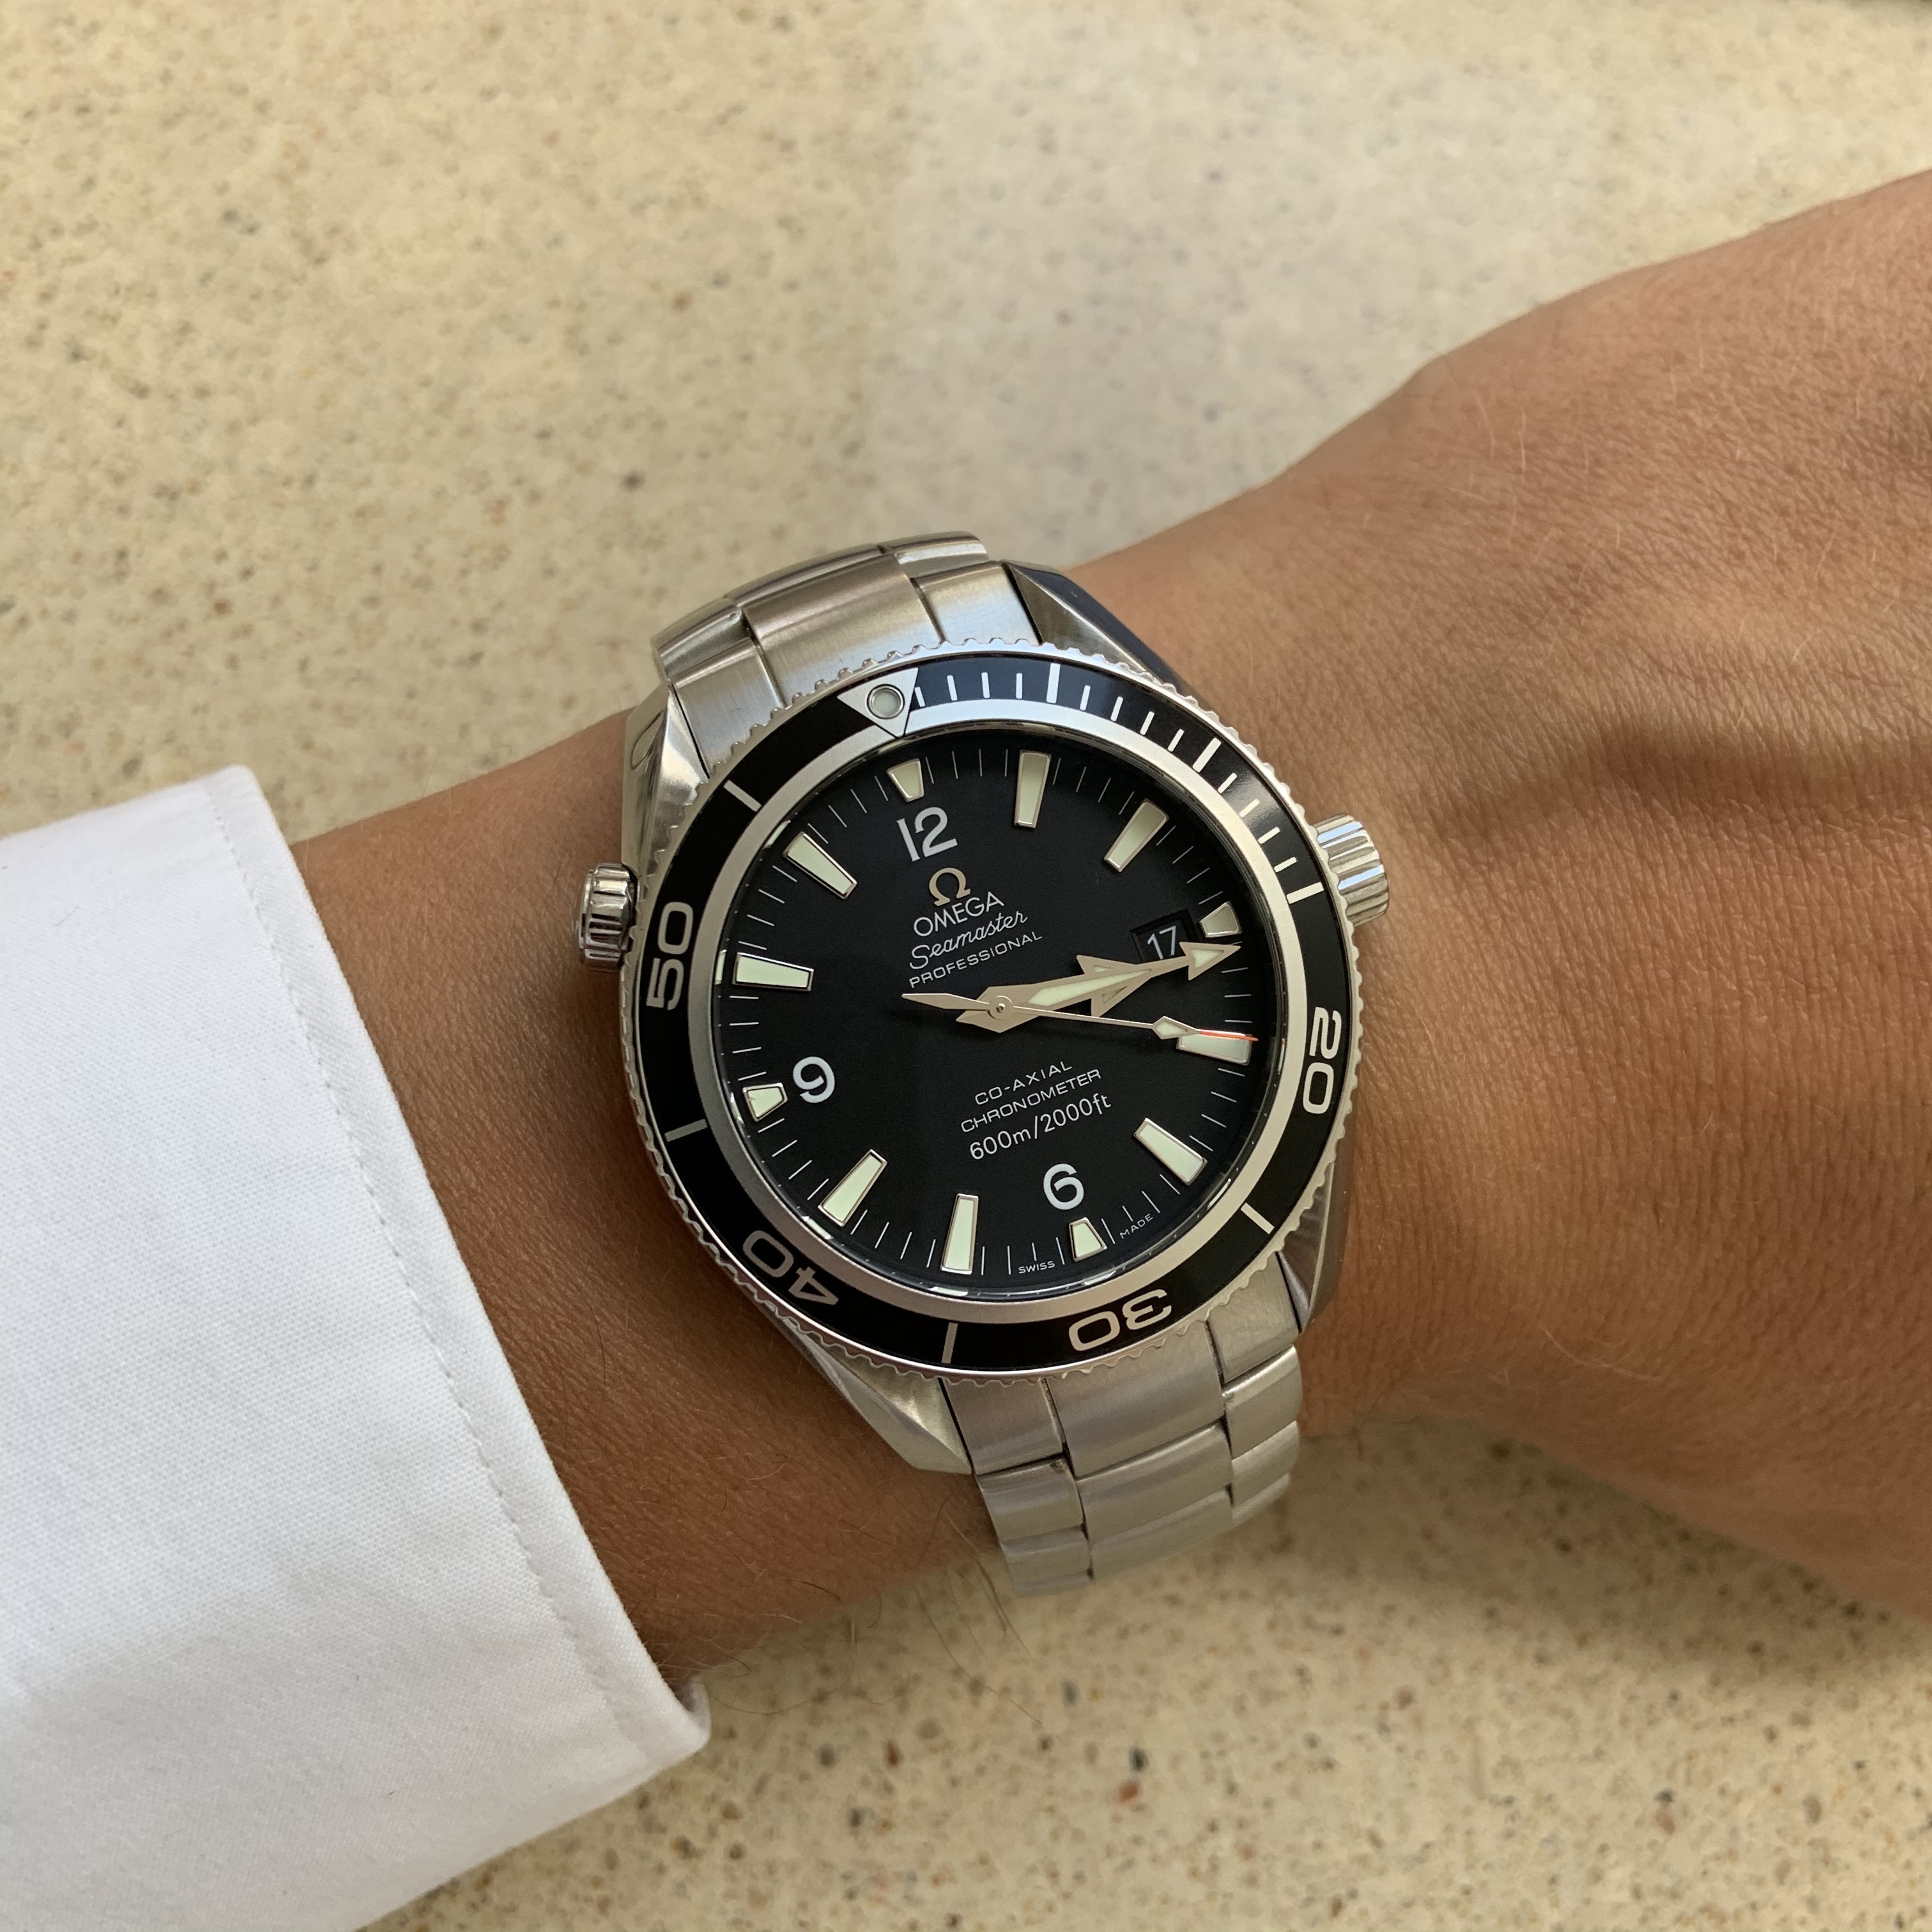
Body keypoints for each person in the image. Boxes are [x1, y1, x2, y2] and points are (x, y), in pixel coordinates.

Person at [4, 174, 1928, 1932]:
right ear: (634, 934)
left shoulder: (1231, 921)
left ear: (1320, 879)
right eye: (990, 1010)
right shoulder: (723, 1032)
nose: (999, 1011)